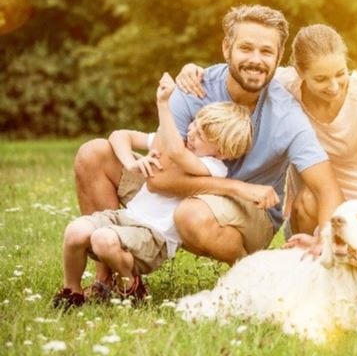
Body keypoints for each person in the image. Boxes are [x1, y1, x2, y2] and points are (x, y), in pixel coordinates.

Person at [74, 5, 343, 275]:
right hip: (185, 191)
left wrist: (324, 242)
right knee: (93, 154)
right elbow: (158, 180)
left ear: (279, 56)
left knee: (191, 214)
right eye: (246, 48)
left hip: (245, 212)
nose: (256, 59)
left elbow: (327, 189)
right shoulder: (194, 88)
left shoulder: (286, 114)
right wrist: (235, 187)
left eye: (266, 51)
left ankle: (248, 276)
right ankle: (110, 278)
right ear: (227, 48)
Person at [175, 24, 357, 242]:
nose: (334, 86)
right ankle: (310, 263)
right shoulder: (284, 85)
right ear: (299, 72)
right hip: (309, 210)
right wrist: (191, 69)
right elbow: (244, 70)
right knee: (309, 197)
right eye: (320, 79)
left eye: (340, 74)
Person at [53, 75, 252, 309]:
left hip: (154, 237)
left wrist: (164, 105)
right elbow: (119, 135)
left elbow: (178, 154)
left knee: (102, 239)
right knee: (75, 231)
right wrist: (131, 162)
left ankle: (130, 286)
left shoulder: (214, 168)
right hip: (127, 218)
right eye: (194, 124)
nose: (190, 132)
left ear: (222, 152)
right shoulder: (180, 141)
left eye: (200, 135)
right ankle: (71, 292)